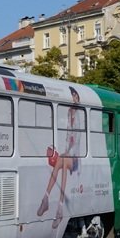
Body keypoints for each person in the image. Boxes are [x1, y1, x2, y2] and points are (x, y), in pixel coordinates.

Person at [37, 87, 83, 229]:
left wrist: (70, 152)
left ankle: (55, 205)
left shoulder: (80, 114)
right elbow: (68, 135)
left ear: (78, 98)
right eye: (72, 95)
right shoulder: (69, 112)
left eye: (75, 95)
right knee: (60, 161)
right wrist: (65, 150)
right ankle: (49, 201)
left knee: (61, 161)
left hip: (76, 157)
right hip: (68, 154)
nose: (73, 97)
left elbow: (79, 138)